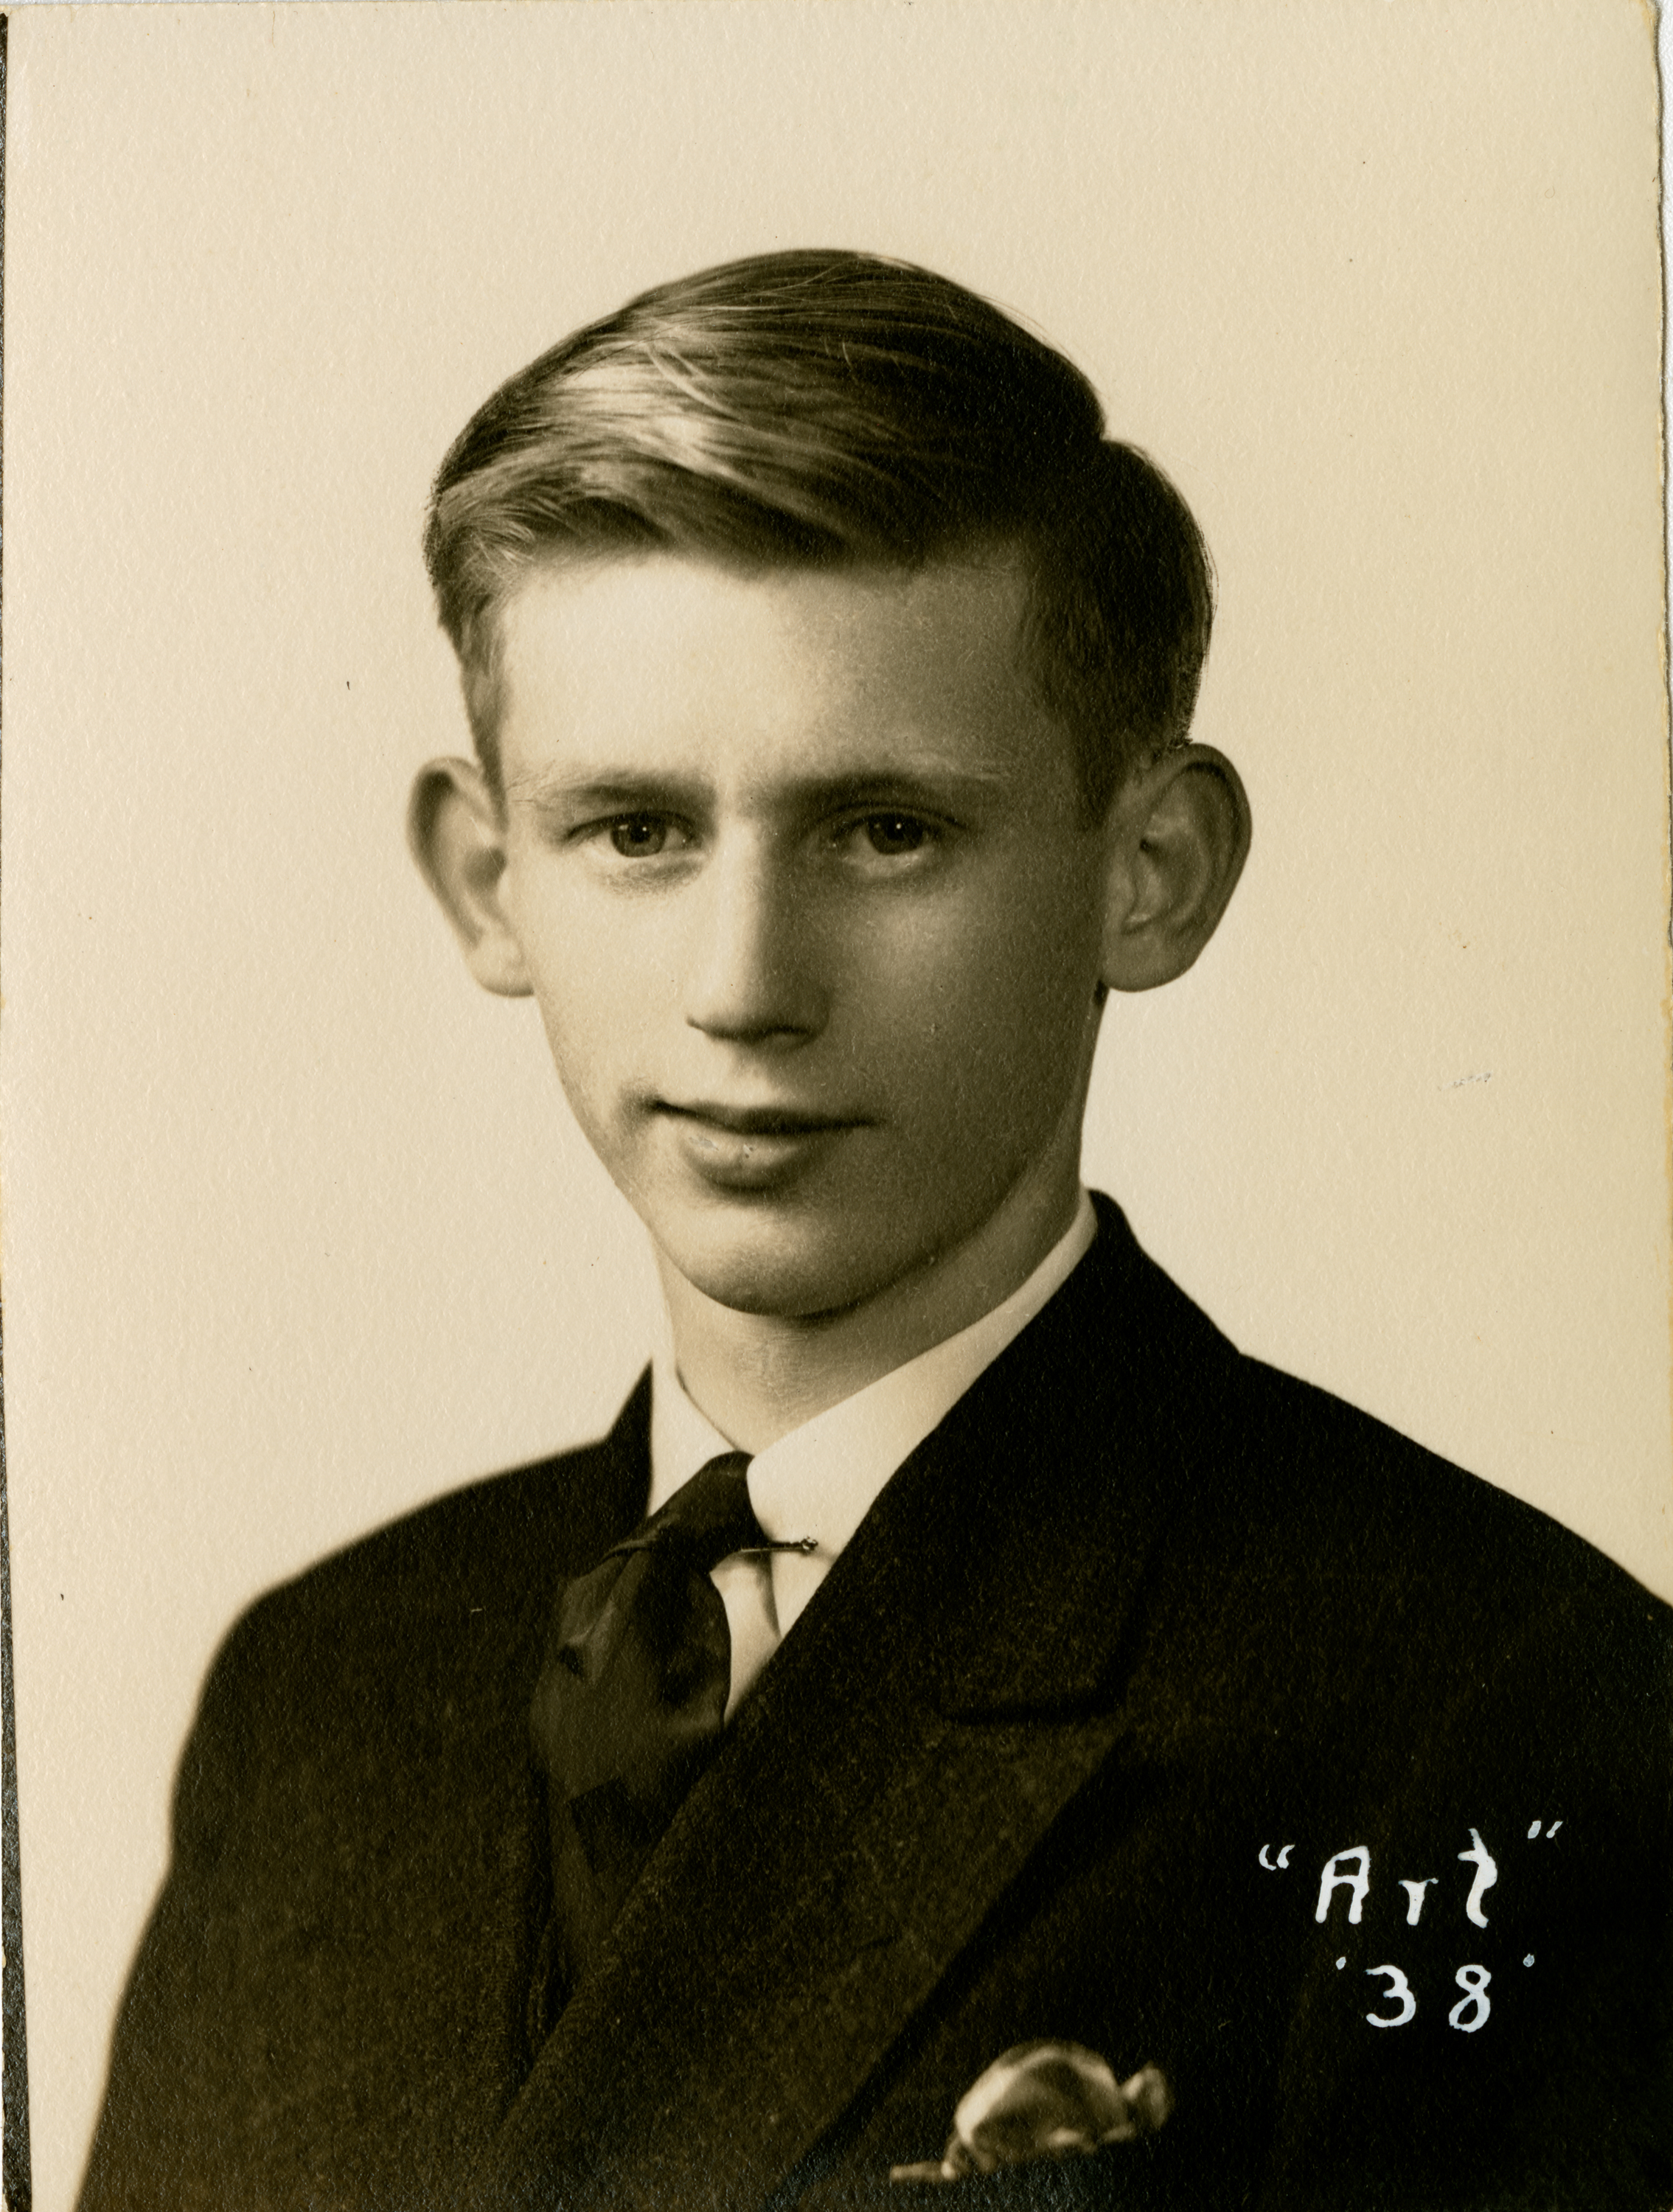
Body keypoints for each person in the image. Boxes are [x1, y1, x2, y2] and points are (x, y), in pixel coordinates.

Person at [78, 251, 1672, 2211]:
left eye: (887, 832)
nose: (746, 987)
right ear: (488, 881)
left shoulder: (1501, 1713)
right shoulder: (327, 1694)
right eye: (637, 832)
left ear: (1152, 873)